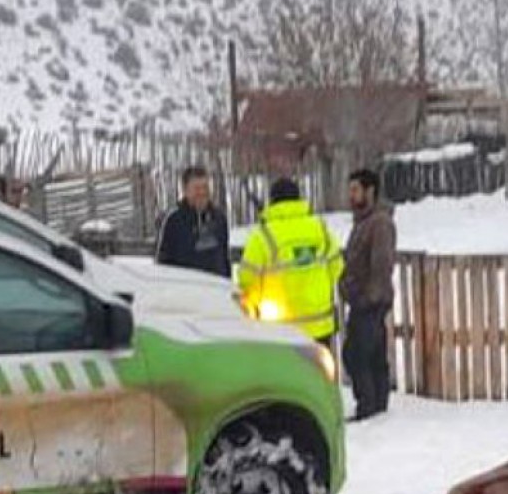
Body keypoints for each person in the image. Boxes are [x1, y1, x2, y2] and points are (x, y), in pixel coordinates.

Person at [237, 177, 343, 344]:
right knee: (319, 369)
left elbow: (247, 278)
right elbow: (337, 266)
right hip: (320, 323)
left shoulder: (264, 236)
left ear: (272, 201)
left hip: (280, 329)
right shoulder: (319, 228)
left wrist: (255, 305)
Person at [340, 168, 398, 421]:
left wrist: (370, 297)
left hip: (370, 301)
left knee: (357, 354)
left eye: (355, 190)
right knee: (369, 355)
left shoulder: (380, 223)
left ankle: (370, 406)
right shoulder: (363, 221)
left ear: (370, 191)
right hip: (361, 299)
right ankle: (375, 406)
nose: (351, 195)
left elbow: (381, 264)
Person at [155, 166, 231, 279]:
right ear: (185, 191)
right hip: (186, 289)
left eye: (205, 187)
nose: (202, 192)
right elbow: (163, 264)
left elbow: (225, 258)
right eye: (196, 188)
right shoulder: (173, 220)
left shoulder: (219, 218)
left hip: (215, 289)